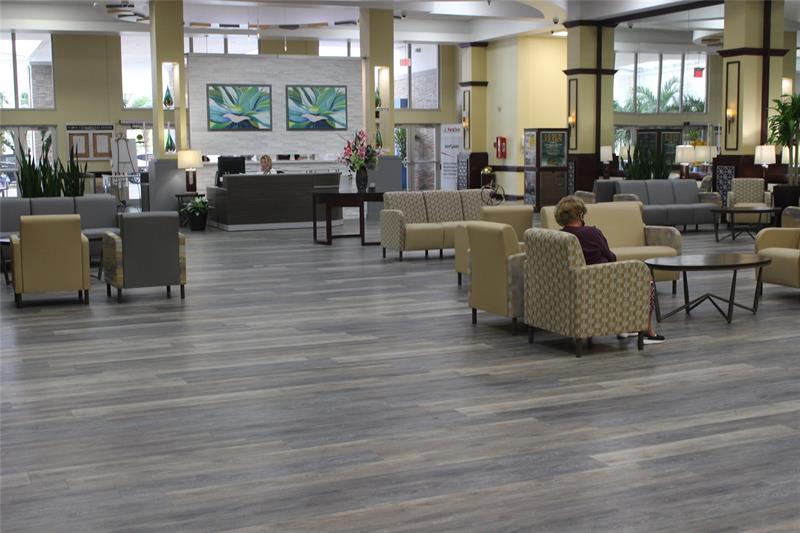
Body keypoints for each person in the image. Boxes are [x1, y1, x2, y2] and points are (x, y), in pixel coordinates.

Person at [554, 195, 665, 344]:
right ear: (580, 214)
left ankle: (624, 327)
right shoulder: (591, 233)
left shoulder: (560, 236)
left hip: (579, 284)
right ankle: (647, 329)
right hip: (602, 280)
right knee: (645, 274)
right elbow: (611, 257)